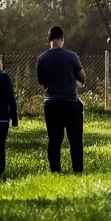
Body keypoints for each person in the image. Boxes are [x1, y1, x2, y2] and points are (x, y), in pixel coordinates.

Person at [35, 26, 86, 174]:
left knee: (54, 140)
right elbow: (82, 77)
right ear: (62, 38)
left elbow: (40, 80)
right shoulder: (71, 56)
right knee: (75, 140)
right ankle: (77, 170)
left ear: (49, 40)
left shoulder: (42, 58)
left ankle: (55, 170)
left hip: (51, 103)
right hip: (70, 103)